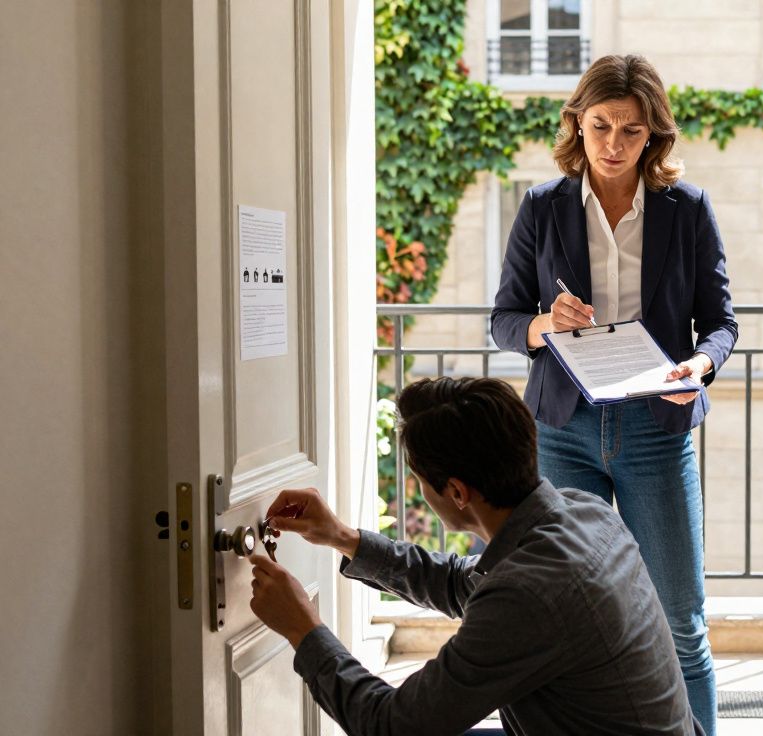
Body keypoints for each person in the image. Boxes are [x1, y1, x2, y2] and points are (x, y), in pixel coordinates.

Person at [490, 54, 737, 734]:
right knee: (565, 617)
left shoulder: (686, 208)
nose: (614, 144)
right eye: (600, 126)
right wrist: (543, 324)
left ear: (654, 134)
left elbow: (720, 322)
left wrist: (700, 365)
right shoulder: (542, 207)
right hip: (564, 432)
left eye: (632, 130)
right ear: (578, 122)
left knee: (679, 621)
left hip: (658, 430)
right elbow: (504, 318)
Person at [247, 376, 705, 736]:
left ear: (457, 492)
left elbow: (391, 725)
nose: (421, 492)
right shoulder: (583, 513)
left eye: (420, 482)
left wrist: (303, 629)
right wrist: (344, 537)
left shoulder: (529, 593)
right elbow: (459, 583)